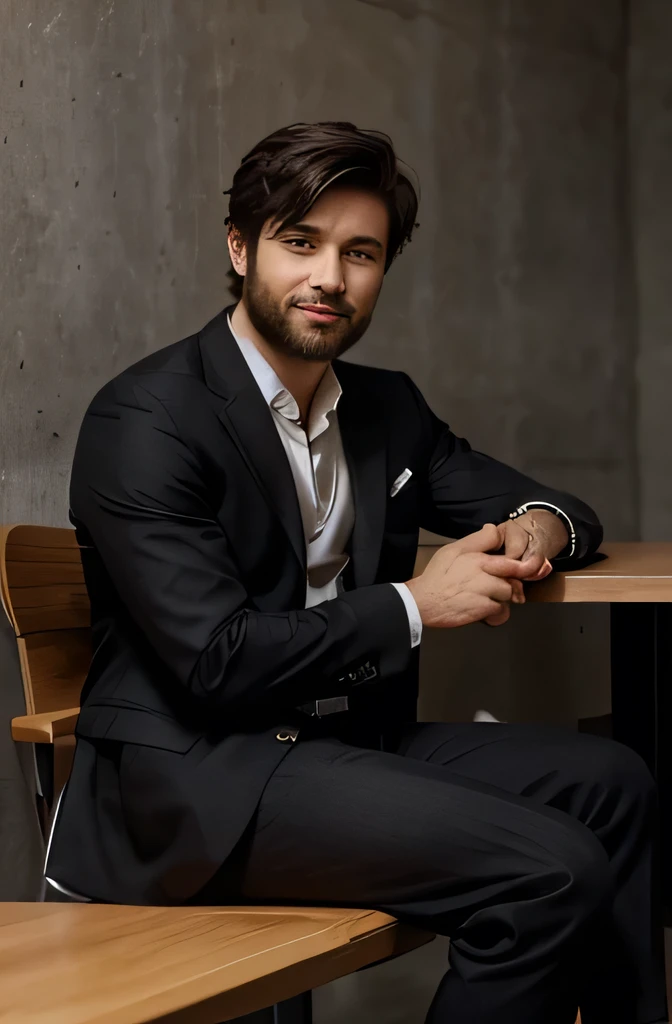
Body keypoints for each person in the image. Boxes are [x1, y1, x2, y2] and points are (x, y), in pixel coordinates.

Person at [47, 122, 666, 1024]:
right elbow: (217, 660)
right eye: (300, 243)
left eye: (360, 252)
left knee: (615, 784)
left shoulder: (386, 410)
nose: (329, 278)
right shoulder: (147, 417)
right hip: (204, 779)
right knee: (550, 870)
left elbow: (566, 512)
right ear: (240, 247)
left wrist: (534, 529)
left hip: (345, 745)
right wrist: (417, 603)